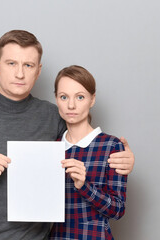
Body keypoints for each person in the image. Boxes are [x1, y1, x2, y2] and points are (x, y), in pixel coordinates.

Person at [0, 30, 134, 240]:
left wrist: (120, 160)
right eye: (11, 63)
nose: (20, 74)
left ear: (38, 70)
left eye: (28, 65)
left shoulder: (53, 116)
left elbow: (85, 150)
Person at [49, 65, 127, 240]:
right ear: (56, 99)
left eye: (80, 97)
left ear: (92, 100)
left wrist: (85, 186)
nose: (71, 105)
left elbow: (118, 210)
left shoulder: (111, 146)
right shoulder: (52, 148)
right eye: (64, 97)